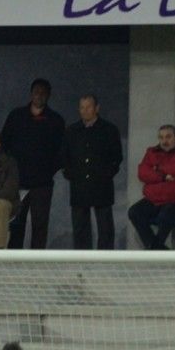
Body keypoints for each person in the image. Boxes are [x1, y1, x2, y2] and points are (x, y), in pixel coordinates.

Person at [1, 78, 65, 249]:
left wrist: (48, 171)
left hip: (42, 184)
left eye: (43, 93)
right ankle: (13, 259)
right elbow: (3, 145)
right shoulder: (16, 116)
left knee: (40, 225)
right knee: (16, 224)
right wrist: (10, 171)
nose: (39, 95)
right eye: (36, 92)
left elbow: (62, 152)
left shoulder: (56, 120)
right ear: (31, 94)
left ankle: (37, 261)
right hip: (17, 182)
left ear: (48, 96)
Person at [61, 94, 122, 250]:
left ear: (97, 108)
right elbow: (64, 156)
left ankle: (105, 259)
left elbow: (117, 157)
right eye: (82, 107)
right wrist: (69, 173)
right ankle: (82, 259)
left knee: (105, 227)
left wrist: (107, 174)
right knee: (80, 228)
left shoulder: (109, 130)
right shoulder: (71, 131)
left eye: (88, 107)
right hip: (79, 184)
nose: (85, 111)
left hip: (102, 185)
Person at [127, 125, 175, 250]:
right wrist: (163, 177)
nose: (164, 141)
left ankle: (154, 249)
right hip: (155, 199)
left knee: (165, 217)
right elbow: (142, 172)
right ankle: (158, 249)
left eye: (168, 137)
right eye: (161, 137)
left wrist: (156, 169)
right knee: (134, 212)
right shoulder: (152, 152)